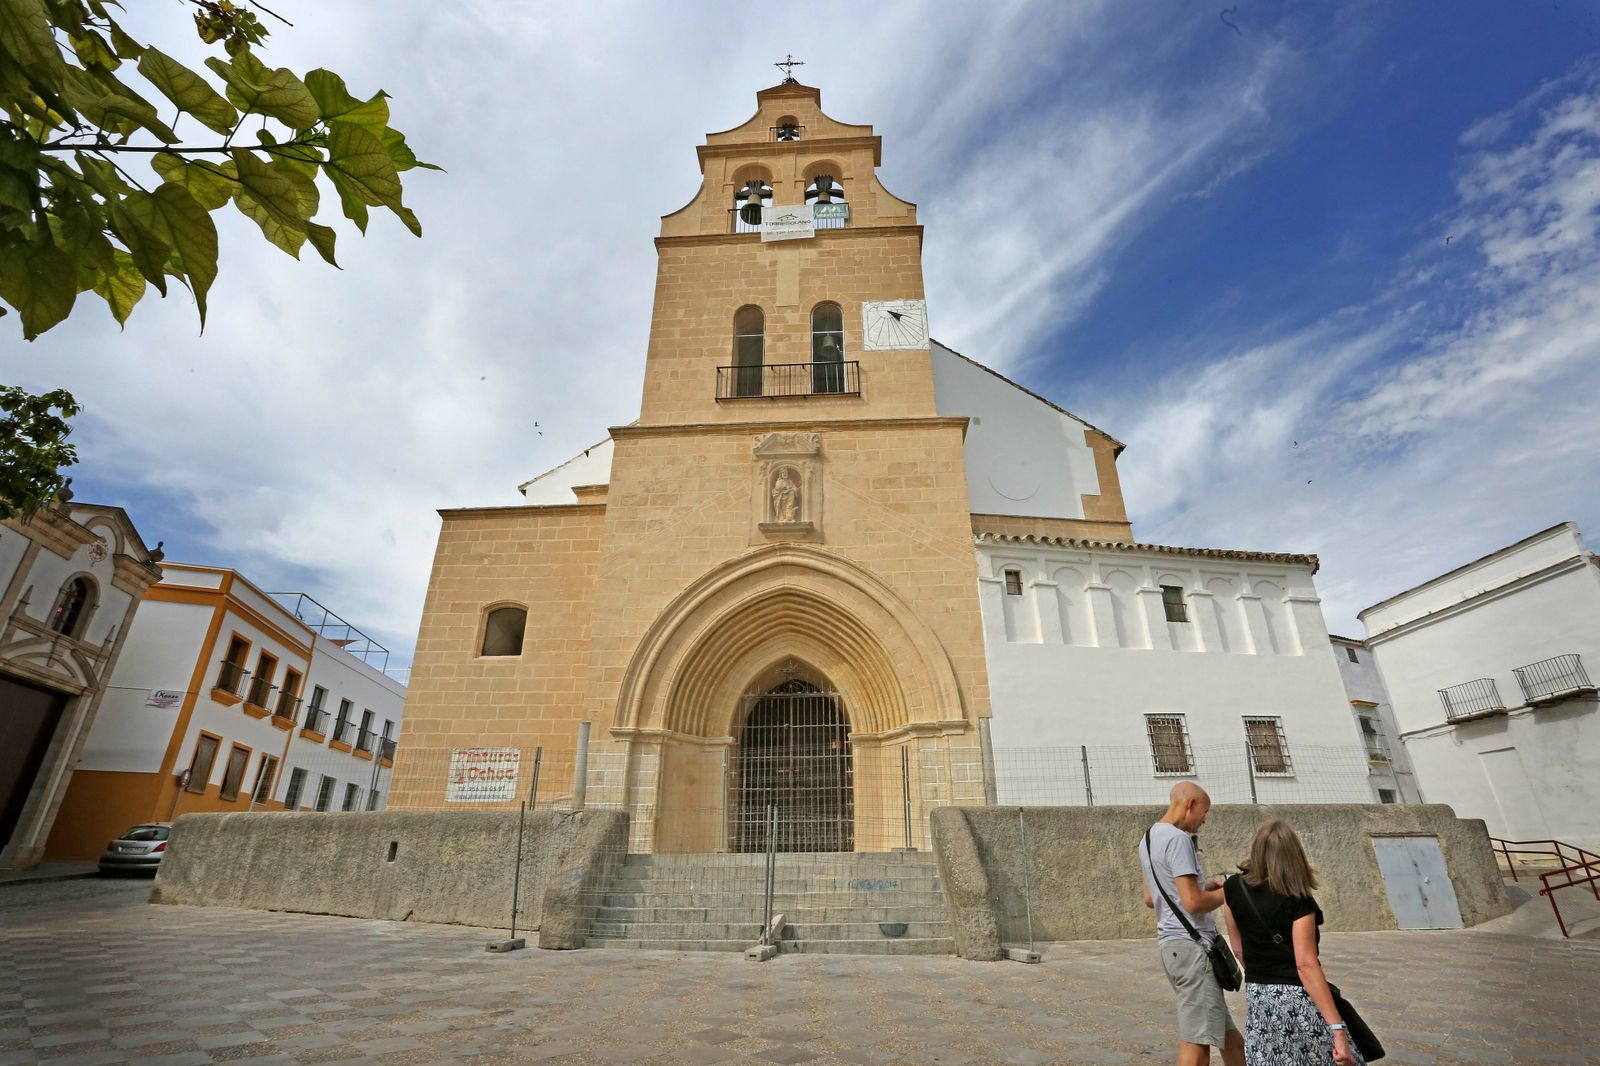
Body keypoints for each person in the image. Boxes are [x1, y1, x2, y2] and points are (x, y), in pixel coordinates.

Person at [1220, 819, 1361, 1066]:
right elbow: (1305, 965)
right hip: (1298, 998)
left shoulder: (1232, 888)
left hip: (1259, 997)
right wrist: (1337, 1030)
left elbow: (1239, 950)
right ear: (1294, 855)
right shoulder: (1298, 900)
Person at [1139, 781, 1245, 1066]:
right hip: (1194, 949)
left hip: (1173, 948)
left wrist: (1203, 885)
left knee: (1231, 1040)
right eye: (1205, 811)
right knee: (1197, 1046)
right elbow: (1193, 903)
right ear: (1190, 805)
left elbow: (1152, 898)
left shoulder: (1147, 839)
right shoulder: (1178, 839)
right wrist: (1232, 891)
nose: (1205, 819)